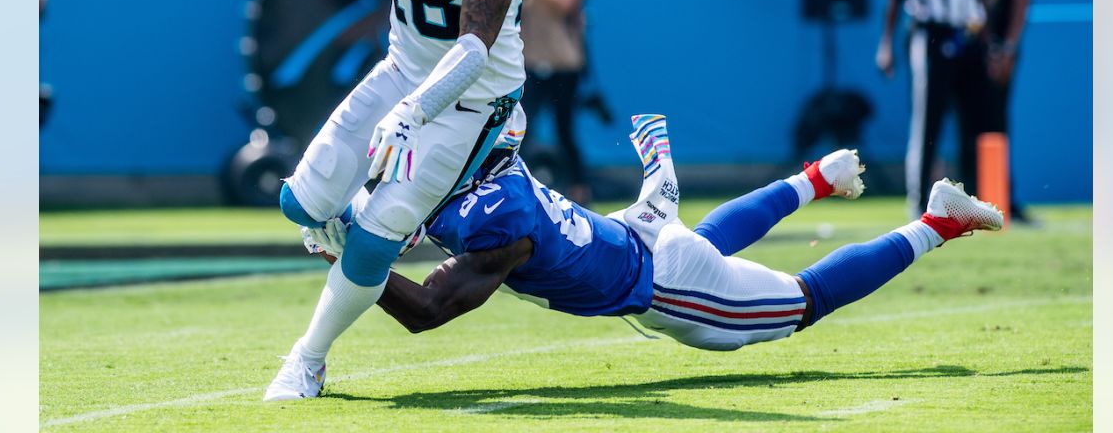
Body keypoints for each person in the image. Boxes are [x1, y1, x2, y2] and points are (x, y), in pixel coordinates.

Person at [220, 0, 551, 402]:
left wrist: (414, 113)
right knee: (300, 204)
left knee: (373, 241)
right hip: (403, 68)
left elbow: (476, 47)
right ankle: (348, 230)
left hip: (471, 100)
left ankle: (308, 360)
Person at [301, 113, 1001, 371]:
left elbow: (429, 310)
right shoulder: (496, 173)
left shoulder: (498, 221)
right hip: (636, 238)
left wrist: (348, 250)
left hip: (661, 285)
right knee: (705, 246)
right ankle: (817, 178)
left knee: (800, 303)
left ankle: (937, 219)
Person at [876, 0, 998, 218]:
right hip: (931, 35)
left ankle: (973, 200)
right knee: (928, 119)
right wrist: (885, 44)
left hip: (968, 36)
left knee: (974, 119)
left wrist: (987, 43)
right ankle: (918, 202)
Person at [962, 0, 1035, 224]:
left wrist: (1006, 47)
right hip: (963, 42)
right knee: (965, 122)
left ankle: (1001, 196)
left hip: (994, 43)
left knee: (994, 120)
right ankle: (965, 199)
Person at [520, 0, 592, 203]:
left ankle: (580, 192)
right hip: (530, 62)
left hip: (564, 63)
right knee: (520, 130)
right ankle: (519, 191)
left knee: (566, 132)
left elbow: (567, 0)